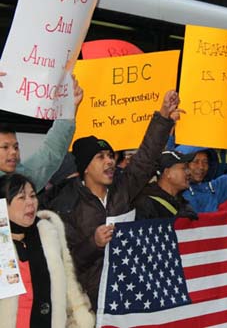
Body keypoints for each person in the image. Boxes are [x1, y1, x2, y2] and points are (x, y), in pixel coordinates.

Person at [46, 90, 182, 311]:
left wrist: (163, 117)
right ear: (85, 168)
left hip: (131, 295)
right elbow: (66, 263)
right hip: (91, 305)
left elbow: (146, 158)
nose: (109, 161)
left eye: (110, 155)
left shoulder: (123, 188)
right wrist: (94, 243)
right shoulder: (66, 205)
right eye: (100, 157)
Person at [0, 173, 94, 328]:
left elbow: (69, 285)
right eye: (22, 198)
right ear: (3, 205)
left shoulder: (47, 234)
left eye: (33, 196)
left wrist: (79, 320)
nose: (31, 203)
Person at [0, 72, 84, 192]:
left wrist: (68, 108)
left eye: (16, 147)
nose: (13, 152)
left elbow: (50, 153)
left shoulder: (24, 179)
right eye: (5, 147)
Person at [176, 114, 227, 213]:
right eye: (195, 162)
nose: (201, 167)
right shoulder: (172, 191)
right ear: (183, 164)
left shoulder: (213, 189)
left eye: (205, 162)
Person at [134, 150, 197, 220]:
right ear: (167, 173)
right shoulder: (145, 204)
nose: (189, 173)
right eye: (184, 168)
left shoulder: (183, 204)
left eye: (187, 168)